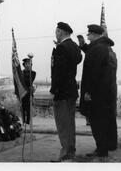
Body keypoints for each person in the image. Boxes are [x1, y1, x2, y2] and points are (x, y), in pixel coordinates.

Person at [79, 24, 118, 158]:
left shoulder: (98, 49)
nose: (87, 36)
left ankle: (102, 151)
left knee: (97, 122)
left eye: (88, 34)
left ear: (95, 34)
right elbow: (96, 60)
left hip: (97, 94)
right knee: (105, 121)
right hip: (106, 93)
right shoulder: (106, 48)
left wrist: (89, 91)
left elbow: (94, 71)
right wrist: (84, 46)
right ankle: (106, 147)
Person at [50, 22, 82, 161]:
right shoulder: (74, 46)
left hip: (62, 91)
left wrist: (53, 90)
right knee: (70, 123)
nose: (55, 34)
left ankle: (65, 155)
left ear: (60, 32)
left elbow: (59, 72)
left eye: (56, 32)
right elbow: (79, 59)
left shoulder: (61, 48)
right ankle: (70, 151)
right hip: (71, 90)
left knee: (63, 124)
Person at [21, 58, 36, 125]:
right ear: (24, 65)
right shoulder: (21, 73)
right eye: (26, 64)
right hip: (23, 93)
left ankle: (28, 122)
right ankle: (23, 121)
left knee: (28, 108)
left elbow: (29, 82)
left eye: (29, 64)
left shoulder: (33, 73)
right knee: (23, 108)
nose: (27, 65)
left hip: (29, 92)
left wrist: (28, 72)